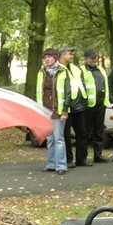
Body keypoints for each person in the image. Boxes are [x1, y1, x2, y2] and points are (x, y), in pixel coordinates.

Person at [36, 47, 69, 175]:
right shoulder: (41, 72)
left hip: (58, 110)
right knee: (49, 138)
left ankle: (61, 165)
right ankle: (51, 164)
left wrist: (65, 110)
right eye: (45, 57)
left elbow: (67, 92)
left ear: (55, 57)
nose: (47, 59)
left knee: (58, 138)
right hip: (45, 110)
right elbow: (39, 91)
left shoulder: (63, 71)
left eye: (49, 56)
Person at [57, 46, 89, 167]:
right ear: (62, 55)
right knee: (65, 135)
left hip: (79, 106)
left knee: (82, 133)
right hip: (66, 107)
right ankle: (68, 160)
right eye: (69, 54)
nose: (72, 56)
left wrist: (85, 100)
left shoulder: (76, 69)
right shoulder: (58, 69)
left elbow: (82, 85)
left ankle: (81, 159)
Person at [81, 49, 111, 163]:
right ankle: (82, 157)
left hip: (100, 104)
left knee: (99, 131)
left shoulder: (101, 69)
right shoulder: (82, 71)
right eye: (92, 58)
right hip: (88, 105)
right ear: (86, 59)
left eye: (96, 58)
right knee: (85, 132)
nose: (94, 60)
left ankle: (98, 155)